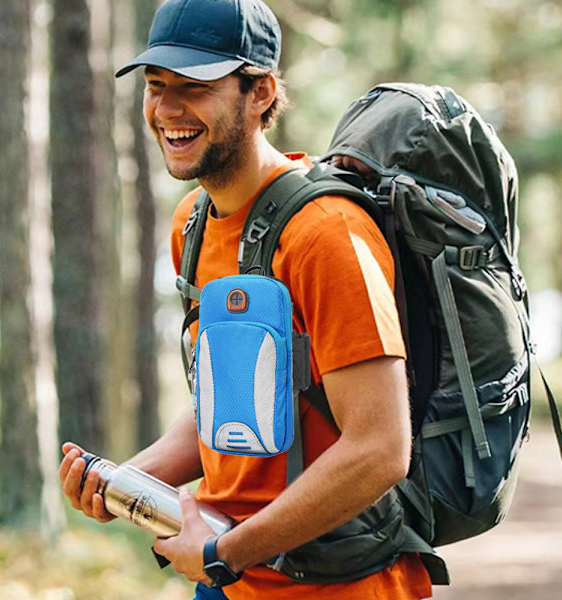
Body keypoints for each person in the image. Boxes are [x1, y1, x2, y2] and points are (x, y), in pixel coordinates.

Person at [59, 1, 433, 598]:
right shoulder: (194, 225)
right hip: (231, 580)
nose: (167, 110)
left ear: (261, 92)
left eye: (194, 87)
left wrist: (223, 551)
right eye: (156, 86)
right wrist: (128, 482)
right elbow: (230, 405)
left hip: (338, 586)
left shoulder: (326, 235)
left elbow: (380, 449)